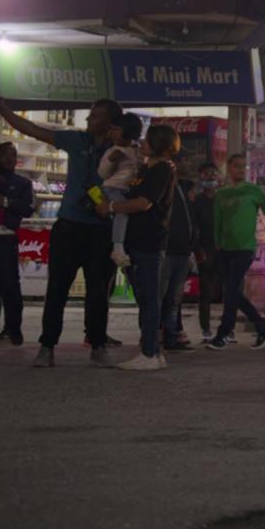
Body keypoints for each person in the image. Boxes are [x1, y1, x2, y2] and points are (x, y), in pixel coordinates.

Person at [0, 97, 122, 369]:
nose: (88, 120)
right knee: (57, 289)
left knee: (98, 291)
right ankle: (47, 346)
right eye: (90, 114)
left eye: (96, 116)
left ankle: (98, 344)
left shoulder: (120, 151)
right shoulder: (76, 141)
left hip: (101, 228)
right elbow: (32, 130)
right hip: (69, 225)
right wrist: (3, 110)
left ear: (110, 122)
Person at [99, 125, 178, 371]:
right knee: (144, 297)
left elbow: (143, 203)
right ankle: (151, 349)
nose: (142, 143)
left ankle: (150, 352)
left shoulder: (162, 170)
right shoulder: (147, 169)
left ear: (162, 147)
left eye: (148, 140)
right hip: (138, 241)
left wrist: (111, 208)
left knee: (149, 298)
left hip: (149, 242)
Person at [206, 153, 265, 350]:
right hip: (225, 248)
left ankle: (223, 334)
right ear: (229, 168)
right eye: (236, 166)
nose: (239, 170)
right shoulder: (222, 194)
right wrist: (218, 244)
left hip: (245, 247)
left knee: (230, 290)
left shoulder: (252, 191)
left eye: (242, 166)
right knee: (231, 292)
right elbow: (218, 221)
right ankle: (262, 327)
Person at [0, 142, 33, 348]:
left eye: (14, 154)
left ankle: (13, 326)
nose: (10, 159)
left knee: (10, 287)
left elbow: (27, 209)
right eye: (6, 155)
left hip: (6, 239)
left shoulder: (22, 183)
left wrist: (5, 202)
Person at [158, 158, 195, 352]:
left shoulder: (183, 188)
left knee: (173, 298)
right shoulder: (166, 188)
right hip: (168, 249)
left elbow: (189, 221)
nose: (189, 165)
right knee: (160, 295)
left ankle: (171, 336)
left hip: (182, 250)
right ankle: (153, 336)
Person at [100, 113, 142, 268]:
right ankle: (117, 247)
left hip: (129, 190)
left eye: (117, 129)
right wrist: (111, 161)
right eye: (112, 129)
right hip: (113, 188)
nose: (113, 133)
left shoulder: (138, 150)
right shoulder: (112, 151)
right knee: (122, 211)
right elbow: (102, 174)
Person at [190, 163, 221, 342]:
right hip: (205, 248)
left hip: (223, 247)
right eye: (206, 174)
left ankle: (228, 328)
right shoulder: (197, 201)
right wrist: (198, 249)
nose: (210, 177)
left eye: (213, 173)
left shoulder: (222, 199)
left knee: (229, 288)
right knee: (206, 291)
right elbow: (194, 227)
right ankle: (206, 328)